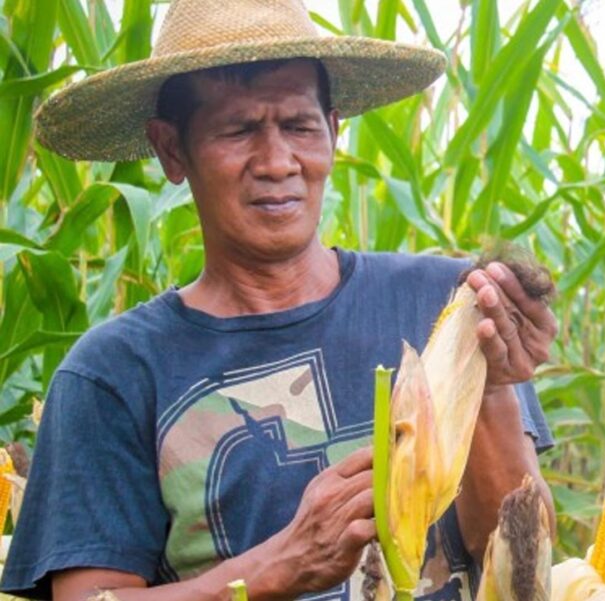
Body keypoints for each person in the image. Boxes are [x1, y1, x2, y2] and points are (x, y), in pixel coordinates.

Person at [0, 1, 557, 600]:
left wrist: (493, 387)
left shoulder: (446, 304)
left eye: (299, 126)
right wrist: (281, 564)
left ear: (334, 133)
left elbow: (515, 563)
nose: (277, 162)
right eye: (238, 130)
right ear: (171, 150)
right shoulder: (113, 375)